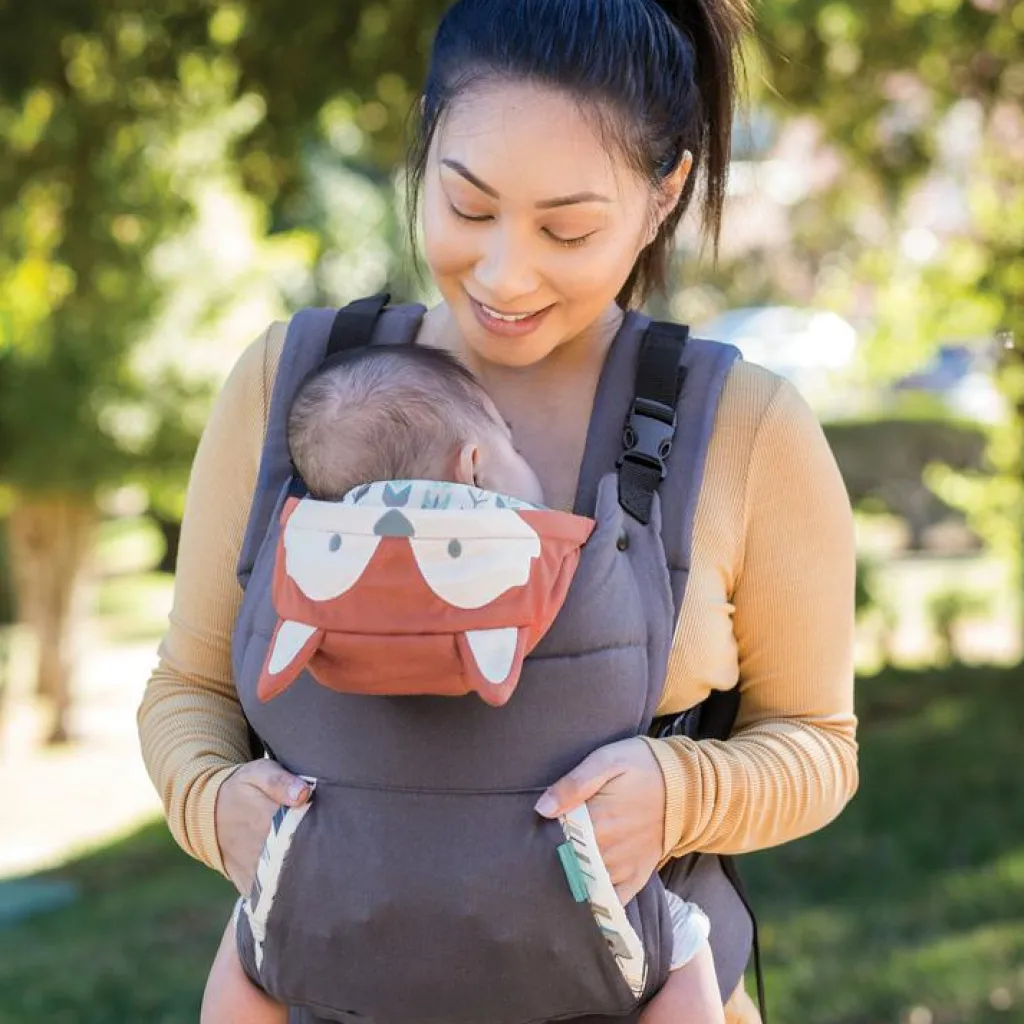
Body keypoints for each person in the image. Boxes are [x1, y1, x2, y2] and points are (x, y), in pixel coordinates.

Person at [137, 1, 859, 1021]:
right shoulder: (291, 387)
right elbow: (188, 688)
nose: (503, 273)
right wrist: (214, 805)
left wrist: (682, 793)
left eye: (567, 229)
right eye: (468, 206)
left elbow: (818, 744)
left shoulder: (745, 427)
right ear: (427, 141)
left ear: (665, 195)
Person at [200, 343, 726, 1023]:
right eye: (512, 448)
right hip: (563, 912)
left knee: (247, 947)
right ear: (474, 465)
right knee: (686, 943)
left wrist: (213, 803)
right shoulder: (552, 555)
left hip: (325, 898)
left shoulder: (302, 568)